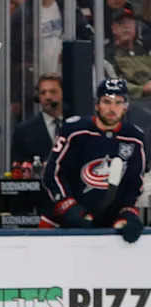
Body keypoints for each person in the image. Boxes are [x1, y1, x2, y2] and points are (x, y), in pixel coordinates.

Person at [41, 78, 145, 243]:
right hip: (61, 221)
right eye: (107, 102)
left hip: (107, 226)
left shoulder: (135, 138)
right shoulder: (75, 131)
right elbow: (52, 174)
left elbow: (133, 184)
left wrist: (128, 214)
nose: (112, 109)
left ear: (125, 107)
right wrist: (70, 208)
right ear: (97, 104)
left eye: (118, 103)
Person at [12, 73, 62, 164]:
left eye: (53, 92)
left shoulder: (77, 125)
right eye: (43, 93)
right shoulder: (24, 130)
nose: (47, 97)